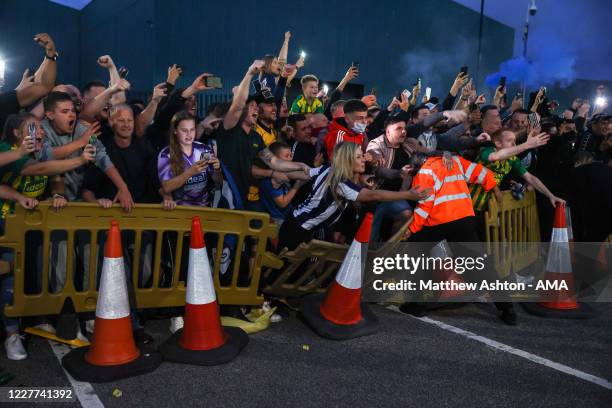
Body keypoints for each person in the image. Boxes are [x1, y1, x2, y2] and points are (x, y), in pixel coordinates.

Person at [0, 113, 94, 359]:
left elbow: (55, 176)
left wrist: (58, 194)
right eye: (32, 129)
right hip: (6, 225)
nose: (39, 133)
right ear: (18, 134)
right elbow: (36, 169)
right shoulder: (8, 150)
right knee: (11, 276)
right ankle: (11, 336)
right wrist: (18, 196)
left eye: (40, 129)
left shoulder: (44, 150)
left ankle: (39, 318)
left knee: (38, 271)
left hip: (34, 225)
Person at [402, 152, 517, 325]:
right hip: (464, 219)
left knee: (417, 255)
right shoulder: (455, 161)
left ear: (416, 166)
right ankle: (507, 309)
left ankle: (416, 304)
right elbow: (482, 172)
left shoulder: (424, 173)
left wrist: (412, 229)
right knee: (481, 266)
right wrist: (494, 187)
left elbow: (425, 206)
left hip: (439, 221)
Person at [277, 142, 431, 251]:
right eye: (358, 157)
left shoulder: (328, 169)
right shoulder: (341, 183)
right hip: (297, 229)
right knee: (279, 275)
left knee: (286, 274)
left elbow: (301, 173)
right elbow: (373, 195)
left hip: (297, 224)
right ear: (347, 160)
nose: (363, 159)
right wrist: (408, 195)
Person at [470, 128, 565, 214]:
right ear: (498, 143)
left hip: (487, 208)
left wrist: (551, 196)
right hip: (469, 205)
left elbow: (530, 178)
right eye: (509, 141)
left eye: (515, 141)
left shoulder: (512, 159)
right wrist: (527, 145)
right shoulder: (487, 151)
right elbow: (496, 156)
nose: (514, 144)